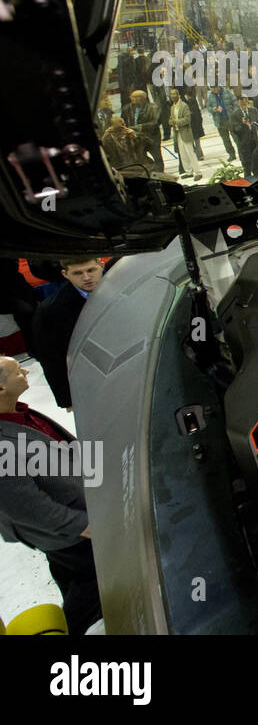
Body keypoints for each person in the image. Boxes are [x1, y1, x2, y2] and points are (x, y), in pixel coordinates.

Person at [0, 356, 102, 634]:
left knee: (72, 576)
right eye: (16, 372)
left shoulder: (18, 413)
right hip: (66, 532)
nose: (25, 370)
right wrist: (84, 526)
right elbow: (28, 508)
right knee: (93, 586)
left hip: (72, 515)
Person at [30, 258, 103, 412]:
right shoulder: (50, 311)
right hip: (88, 380)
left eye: (91, 270)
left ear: (101, 266)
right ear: (65, 274)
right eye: (78, 273)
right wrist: (67, 399)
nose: (86, 277)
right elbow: (51, 358)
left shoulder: (123, 290)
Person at [121, 89, 163, 171]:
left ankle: (161, 173)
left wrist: (138, 127)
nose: (131, 98)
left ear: (142, 98)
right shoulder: (127, 109)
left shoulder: (153, 108)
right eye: (131, 97)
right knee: (140, 158)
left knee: (157, 157)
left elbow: (155, 123)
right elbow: (123, 121)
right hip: (136, 138)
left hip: (152, 137)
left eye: (133, 97)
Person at [169, 88, 202, 179]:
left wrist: (176, 122)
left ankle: (198, 172)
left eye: (174, 94)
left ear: (178, 95)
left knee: (191, 153)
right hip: (178, 133)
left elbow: (187, 119)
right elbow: (172, 118)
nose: (172, 96)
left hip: (185, 132)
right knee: (183, 154)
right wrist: (171, 121)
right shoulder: (172, 107)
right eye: (171, 94)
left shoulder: (184, 106)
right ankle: (188, 171)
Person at [207, 83, 240, 162]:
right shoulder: (211, 96)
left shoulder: (227, 92)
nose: (214, 90)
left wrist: (233, 114)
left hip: (230, 119)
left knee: (236, 137)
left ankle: (241, 152)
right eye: (212, 88)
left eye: (215, 88)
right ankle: (231, 154)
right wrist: (213, 110)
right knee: (225, 139)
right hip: (220, 120)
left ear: (218, 86)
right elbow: (208, 107)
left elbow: (235, 103)